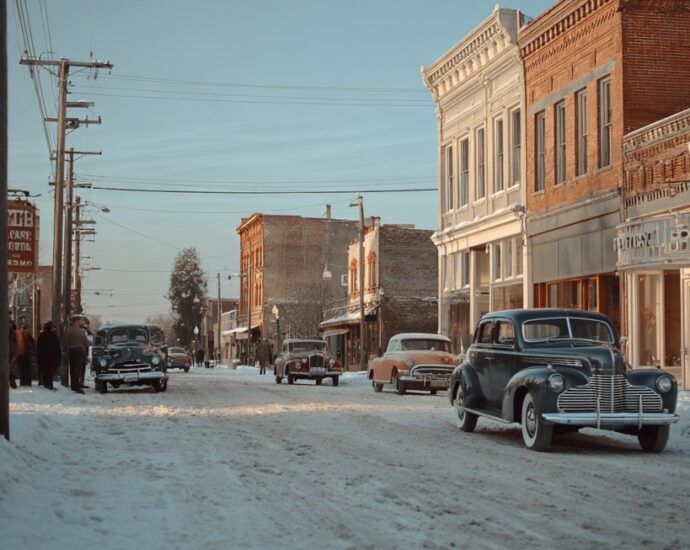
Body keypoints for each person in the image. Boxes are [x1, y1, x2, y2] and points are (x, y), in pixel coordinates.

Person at [64, 315, 90, 394]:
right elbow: (86, 342)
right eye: (79, 321)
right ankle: (76, 386)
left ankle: (73, 385)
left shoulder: (68, 330)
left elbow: (65, 341)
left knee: (72, 368)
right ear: (76, 322)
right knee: (78, 369)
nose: (80, 322)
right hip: (79, 351)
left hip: (71, 351)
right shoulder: (80, 331)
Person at [37, 320, 61, 390]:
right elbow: (57, 347)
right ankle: (49, 384)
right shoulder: (53, 335)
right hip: (52, 356)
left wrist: (38, 357)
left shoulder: (41, 335)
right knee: (50, 371)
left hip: (43, 356)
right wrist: (58, 357)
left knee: (45, 370)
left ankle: (45, 383)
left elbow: (38, 347)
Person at [15, 317, 36, 386]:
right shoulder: (27, 333)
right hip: (26, 353)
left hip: (18, 353)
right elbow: (31, 343)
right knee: (27, 369)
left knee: (21, 369)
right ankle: (28, 382)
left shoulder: (16, 333)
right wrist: (34, 350)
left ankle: (22, 383)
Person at [8, 317, 17, 389]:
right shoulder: (14, 332)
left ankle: (12, 383)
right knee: (11, 367)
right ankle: (12, 383)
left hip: (8, 350)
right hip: (11, 350)